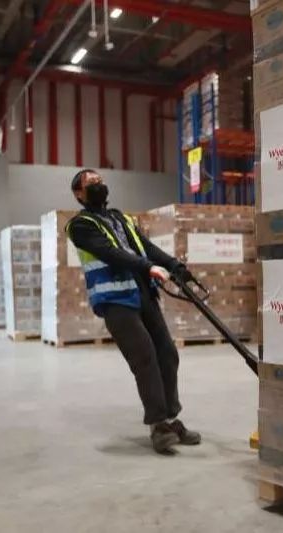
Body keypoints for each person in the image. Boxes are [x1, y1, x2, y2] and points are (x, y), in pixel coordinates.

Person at [65, 169, 201, 454]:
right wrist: (148, 267)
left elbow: (145, 247)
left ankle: (171, 418)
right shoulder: (80, 226)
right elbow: (110, 253)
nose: (99, 185)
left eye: (100, 181)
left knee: (167, 353)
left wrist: (174, 266)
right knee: (145, 357)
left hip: (143, 293)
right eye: (92, 183)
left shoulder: (121, 218)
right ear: (78, 193)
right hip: (115, 300)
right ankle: (158, 426)